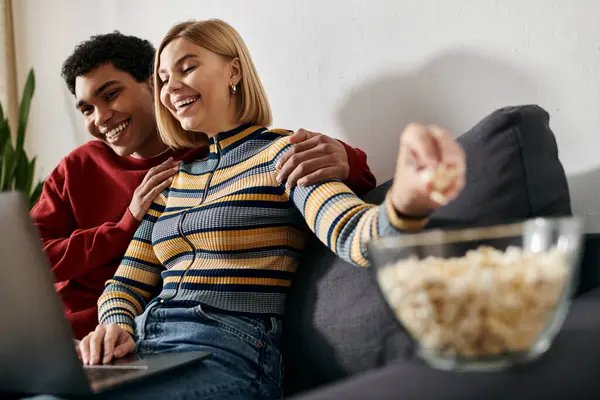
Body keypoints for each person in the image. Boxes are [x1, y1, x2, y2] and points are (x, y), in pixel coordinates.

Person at [75, 19, 465, 400]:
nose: (170, 87)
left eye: (187, 67)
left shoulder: (284, 153)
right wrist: (114, 326)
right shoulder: (173, 182)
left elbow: (352, 232)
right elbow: (123, 285)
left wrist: (407, 201)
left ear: (234, 71)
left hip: (228, 353)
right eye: (162, 78)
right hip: (146, 349)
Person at [30, 32, 377, 340]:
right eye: (87, 109)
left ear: (151, 87)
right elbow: (29, 258)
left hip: (174, 336)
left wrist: (348, 158)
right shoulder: (78, 166)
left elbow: (299, 176)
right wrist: (122, 228)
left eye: (111, 94)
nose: (100, 117)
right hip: (81, 335)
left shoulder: (204, 159)